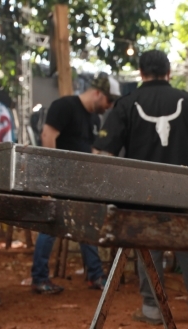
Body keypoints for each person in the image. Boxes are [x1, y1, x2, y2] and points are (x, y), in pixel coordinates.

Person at [93, 50, 188, 324]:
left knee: (148, 246)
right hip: (186, 191)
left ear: (141, 73)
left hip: (142, 192)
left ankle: (152, 308)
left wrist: (110, 192)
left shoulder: (127, 104)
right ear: (169, 73)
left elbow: (103, 154)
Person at [31, 74, 119, 295]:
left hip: (82, 180)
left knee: (86, 224)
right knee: (50, 226)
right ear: (98, 93)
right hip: (61, 177)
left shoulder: (93, 120)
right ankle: (39, 278)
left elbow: (88, 149)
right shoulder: (65, 106)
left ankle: (95, 275)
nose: (109, 107)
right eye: (108, 101)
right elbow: (47, 135)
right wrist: (51, 173)